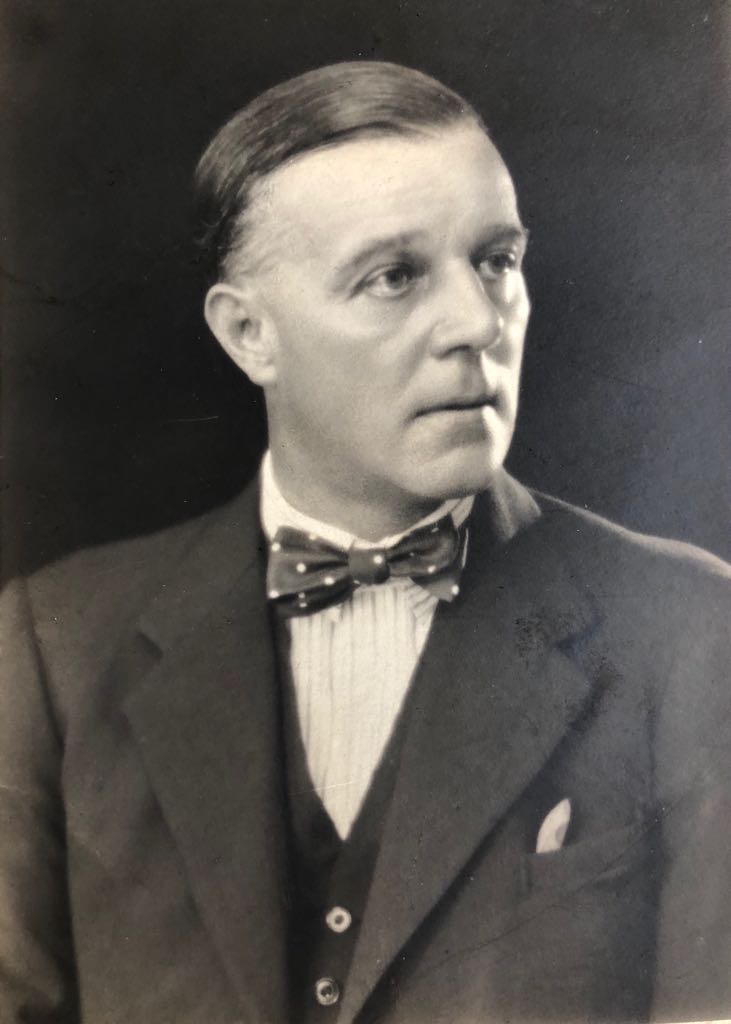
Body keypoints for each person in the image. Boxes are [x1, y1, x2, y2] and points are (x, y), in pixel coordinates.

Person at [0, 60, 729, 1024]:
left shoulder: (690, 631)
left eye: (496, 260)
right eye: (393, 277)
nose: (478, 323)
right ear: (248, 333)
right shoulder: (51, 648)